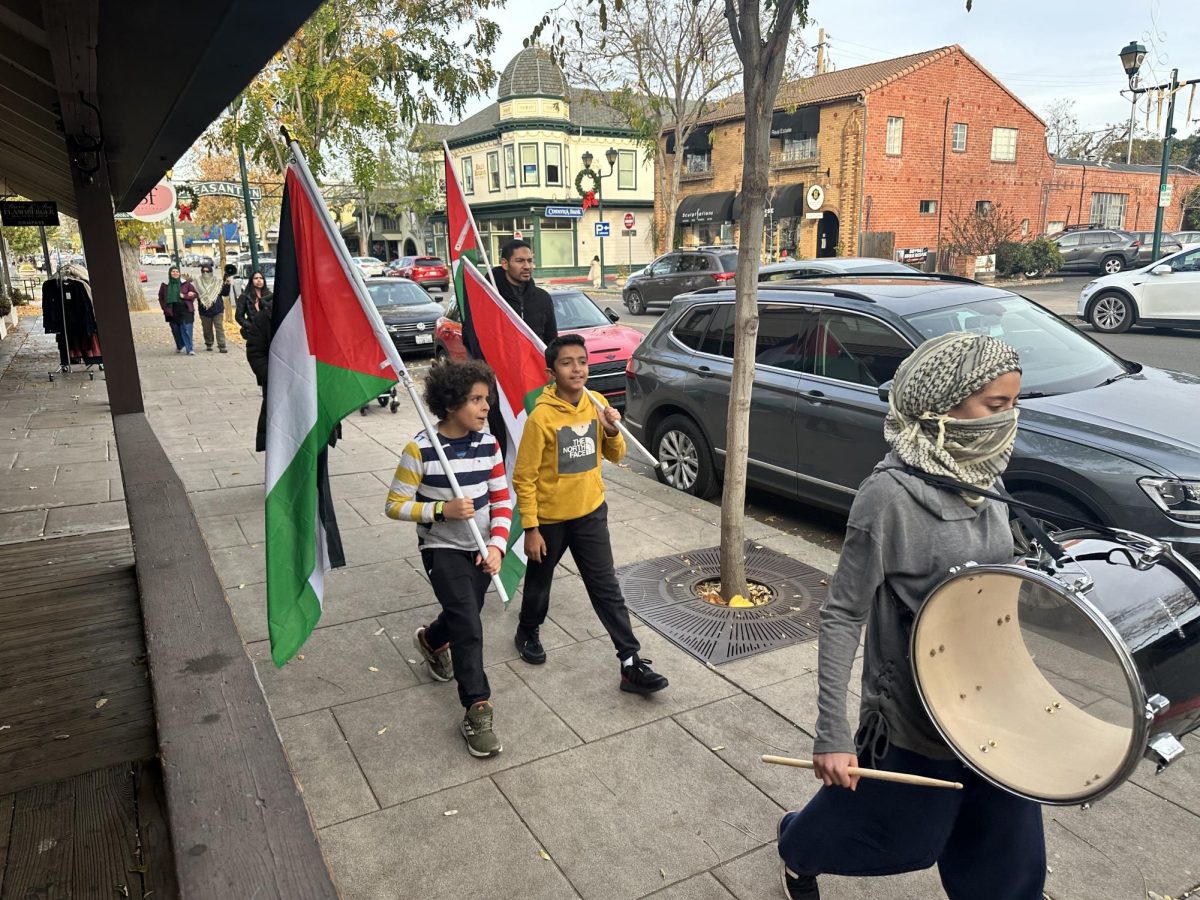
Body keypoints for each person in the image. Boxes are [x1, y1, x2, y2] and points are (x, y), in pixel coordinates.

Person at [776, 332, 1043, 900]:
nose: (1007, 420)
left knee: (1007, 856)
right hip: (916, 720)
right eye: (996, 406)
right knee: (898, 838)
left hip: (996, 708)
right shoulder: (888, 497)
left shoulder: (984, 475)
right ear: (942, 404)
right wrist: (831, 732)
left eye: (1014, 405)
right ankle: (798, 849)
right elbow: (843, 613)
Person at [511, 334, 668, 694]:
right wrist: (531, 528)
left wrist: (611, 429)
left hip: (590, 514)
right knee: (539, 584)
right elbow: (525, 477)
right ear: (551, 372)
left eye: (581, 360)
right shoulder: (541, 418)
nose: (577, 368)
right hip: (550, 521)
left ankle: (630, 662)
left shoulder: (596, 403)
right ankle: (527, 629)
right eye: (567, 362)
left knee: (606, 588)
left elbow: (614, 455)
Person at [384, 359, 512, 757]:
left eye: (486, 399)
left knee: (462, 615)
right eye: (476, 399)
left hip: (480, 547)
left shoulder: (489, 444)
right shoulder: (420, 450)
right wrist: (441, 511)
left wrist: (497, 546)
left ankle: (432, 640)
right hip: (441, 548)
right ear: (451, 402)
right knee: (469, 625)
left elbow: (502, 500)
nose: (485, 407)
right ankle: (477, 707)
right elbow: (394, 505)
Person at [488, 239, 557, 346]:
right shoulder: (491, 297)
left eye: (529, 261)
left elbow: (552, 340)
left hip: (535, 361)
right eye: (520, 261)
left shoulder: (542, 297)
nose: (527, 266)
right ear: (505, 264)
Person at [157, 266, 198, 355]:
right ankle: (180, 345)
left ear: (179, 273)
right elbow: (161, 297)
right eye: (173, 271)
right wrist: (164, 308)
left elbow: (195, 294)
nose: (175, 273)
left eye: (177, 271)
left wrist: (186, 296)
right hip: (171, 310)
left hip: (185, 309)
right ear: (170, 273)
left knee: (187, 328)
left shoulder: (186, 284)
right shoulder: (165, 285)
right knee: (175, 330)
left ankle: (189, 349)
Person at [195, 263, 227, 352]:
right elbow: (194, 293)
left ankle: (222, 345)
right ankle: (209, 343)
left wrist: (228, 284)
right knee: (207, 329)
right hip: (204, 310)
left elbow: (225, 293)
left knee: (219, 327)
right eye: (203, 271)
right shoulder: (197, 282)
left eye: (208, 271)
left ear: (211, 272)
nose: (206, 273)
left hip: (218, 309)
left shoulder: (217, 282)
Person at [236, 270, 272, 338]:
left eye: (261, 278)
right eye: (256, 278)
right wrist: (251, 327)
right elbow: (239, 317)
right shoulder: (245, 296)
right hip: (254, 334)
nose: (259, 280)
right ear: (251, 281)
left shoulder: (269, 295)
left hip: (268, 331)